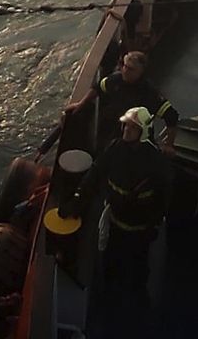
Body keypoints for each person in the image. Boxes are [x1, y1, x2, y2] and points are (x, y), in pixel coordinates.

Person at [58, 106, 174, 308]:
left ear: (144, 132)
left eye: (132, 127)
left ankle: (138, 299)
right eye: (125, 126)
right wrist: (76, 201)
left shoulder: (156, 162)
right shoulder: (115, 149)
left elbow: (164, 197)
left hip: (140, 230)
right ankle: (109, 297)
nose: (125, 131)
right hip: (115, 223)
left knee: (138, 266)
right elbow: (94, 175)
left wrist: (154, 225)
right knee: (111, 262)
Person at [63, 51, 179, 154]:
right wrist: (81, 104)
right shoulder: (116, 80)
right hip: (113, 131)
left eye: (130, 69)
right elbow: (98, 88)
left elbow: (171, 116)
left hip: (136, 140)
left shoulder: (149, 93)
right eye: (124, 66)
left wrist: (169, 145)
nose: (125, 70)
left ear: (141, 72)